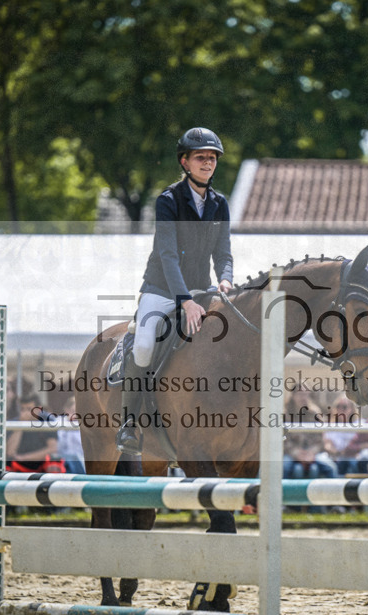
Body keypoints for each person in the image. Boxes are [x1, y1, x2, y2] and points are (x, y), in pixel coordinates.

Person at [116, 127, 233, 456]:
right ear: (185, 162)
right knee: (143, 346)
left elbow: (223, 254)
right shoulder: (168, 201)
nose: (207, 163)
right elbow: (167, 256)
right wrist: (186, 302)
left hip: (202, 288)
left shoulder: (220, 203)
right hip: (161, 289)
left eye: (212, 158)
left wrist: (225, 280)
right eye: (200, 157)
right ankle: (129, 423)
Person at [7, 394, 59, 470]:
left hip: (41, 463)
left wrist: (24, 458)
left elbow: (52, 448)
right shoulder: (15, 422)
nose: (25, 412)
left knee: (54, 465)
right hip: (19, 464)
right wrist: (21, 425)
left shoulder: (47, 420)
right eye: (22, 409)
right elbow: (10, 452)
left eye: (29, 409)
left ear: (38, 409)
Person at [322, 397, 360, 475]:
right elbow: (328, 445)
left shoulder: (360, 425)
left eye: (344, 407)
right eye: (338, 406)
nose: (340, 409)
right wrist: (337, 452)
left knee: (353, 463)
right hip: (336, 457)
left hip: (355, 457)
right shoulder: (330, 426)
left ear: (352, 409)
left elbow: (362, 444)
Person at [57, 396, 86, 475]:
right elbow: (59, 445)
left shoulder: (84, 424)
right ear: (66, 410)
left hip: (80, 461)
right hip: (62, 460)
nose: (75, 415)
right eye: (73, 411)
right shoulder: (59, 421)